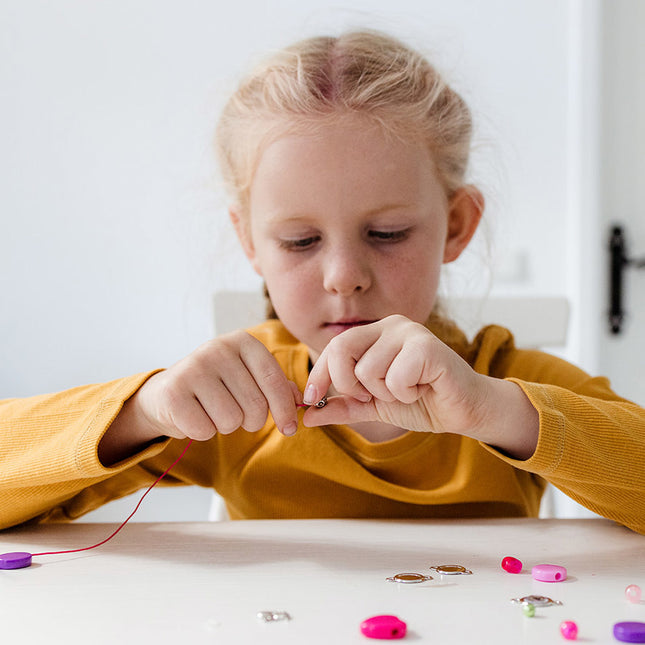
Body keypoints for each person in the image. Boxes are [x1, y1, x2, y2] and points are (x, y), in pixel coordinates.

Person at [1, 30, 644, 533]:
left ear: (455, 226)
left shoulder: (506, 385)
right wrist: (142, 411)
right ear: (251, 243)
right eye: (300, 242)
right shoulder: (236, 406)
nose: (343, 278)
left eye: (387, 233)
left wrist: (497, 413)